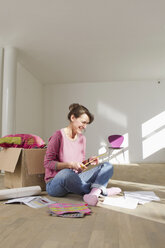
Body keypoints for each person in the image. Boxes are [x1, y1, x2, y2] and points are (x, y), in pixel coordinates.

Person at [44, 103, 121, 206]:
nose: (85, 126)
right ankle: (101, 190)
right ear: (72, 118)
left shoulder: (82, 139)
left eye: (87, 124)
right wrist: (70, 165)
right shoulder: (58, 136)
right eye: (83, 122)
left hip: (75, 179)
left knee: (107, 166)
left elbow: (79, 167)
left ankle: (93, 193)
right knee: (66, 173)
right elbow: (48, 163)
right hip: (55, 183)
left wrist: (88, 161)